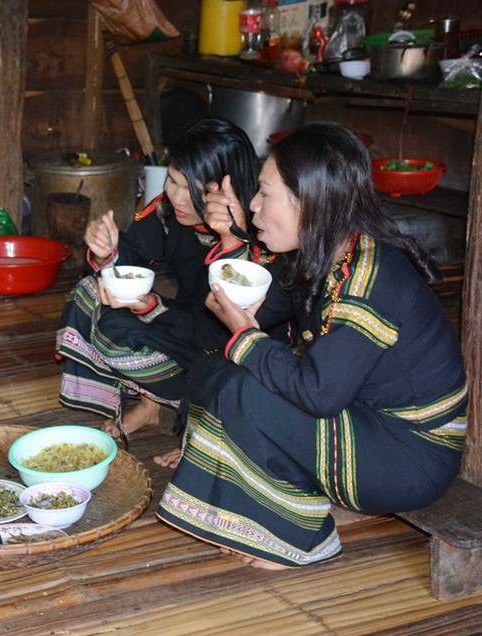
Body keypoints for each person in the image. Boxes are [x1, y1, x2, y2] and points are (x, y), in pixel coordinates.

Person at [156, 122, 467, 569]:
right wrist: (238, 271)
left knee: (243, 388)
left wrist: (245, 336)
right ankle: (273, 509)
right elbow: (264, 312)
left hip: (411, 454)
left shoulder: (370, 281)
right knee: (216, 371)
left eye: (265, 194)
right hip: (366, 422)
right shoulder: (327, 253)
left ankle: (301, 538)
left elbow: (318, 394)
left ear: (309, 203)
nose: (255, 207)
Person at [55, 117, 280, 450]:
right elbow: (131, 258)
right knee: (90, 296)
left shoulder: (265, 230)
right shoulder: (168, 210)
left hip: (243, 355)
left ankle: (201, 429)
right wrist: (107, 254)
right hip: (186, 326)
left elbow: (235, 325)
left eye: (196, 191)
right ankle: (153, 404)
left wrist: (231, 239)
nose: (177, 197)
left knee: (222, 372)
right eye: (173, 181)